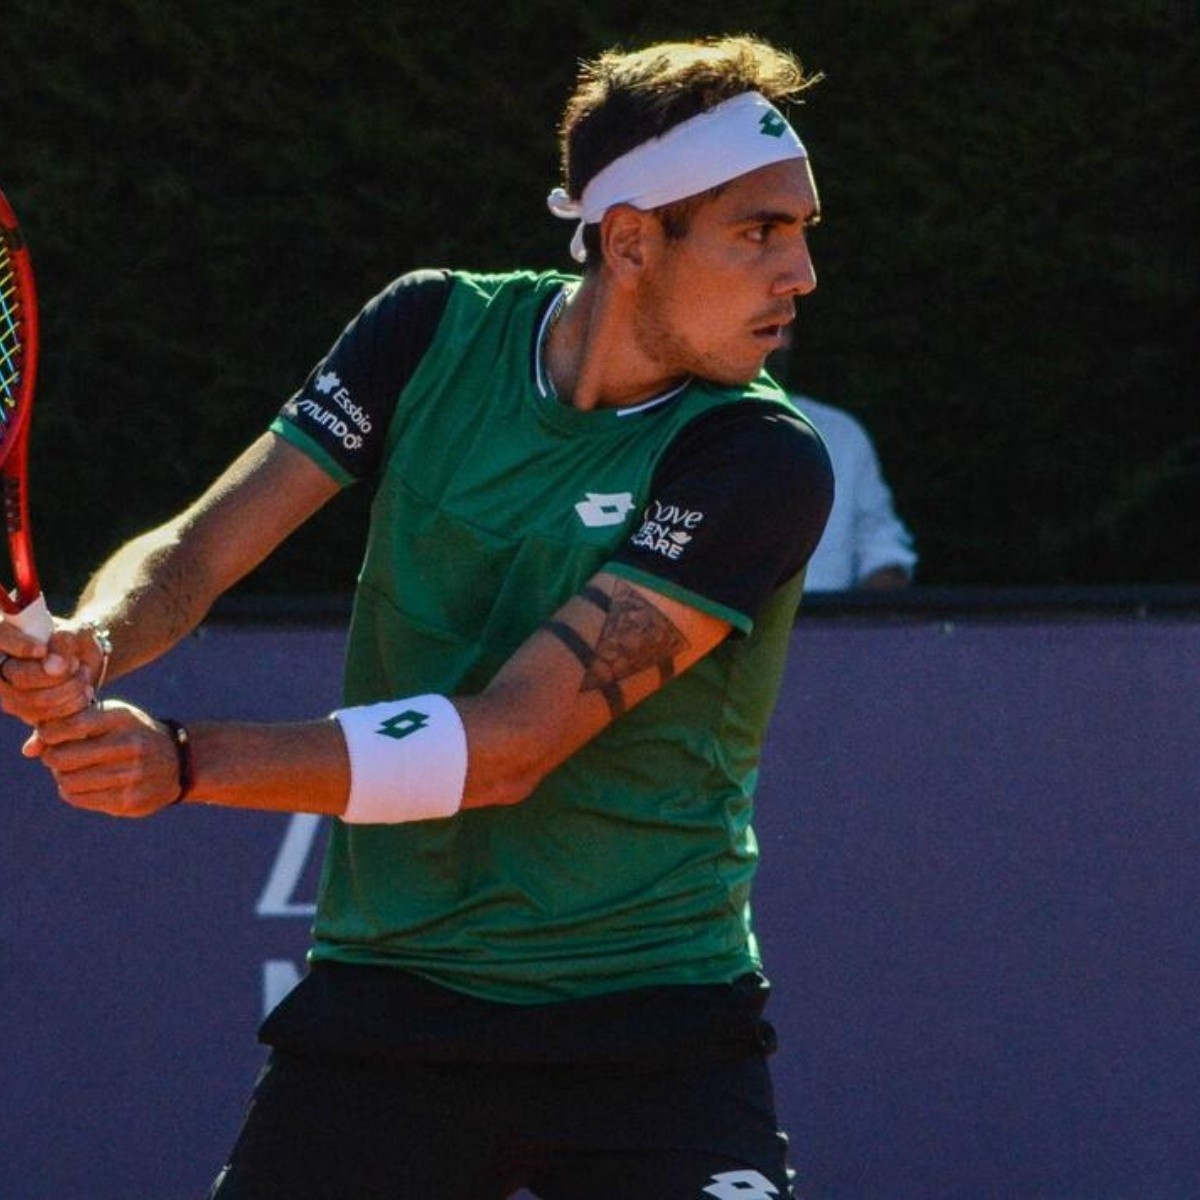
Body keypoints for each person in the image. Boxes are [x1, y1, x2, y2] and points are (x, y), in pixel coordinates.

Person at [0, 35, 833, 1199]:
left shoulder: (759, 458)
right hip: (390, 1004)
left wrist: (184, 761)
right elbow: (197, 549)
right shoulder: (429, 329)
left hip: (653, 1025)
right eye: (760, 232)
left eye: (801, 232)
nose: (799, 275)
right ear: (634, 239)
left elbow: (510, 744)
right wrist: (96, 640)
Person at [769, 334, 917, 592]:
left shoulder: (841, 434)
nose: (776, 340)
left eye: (784, 327)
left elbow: (882, 552)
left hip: (829, 627)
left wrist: (871, 621)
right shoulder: (687, 429)